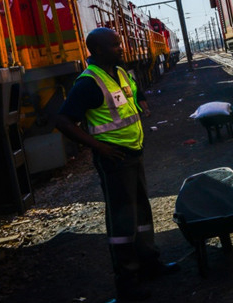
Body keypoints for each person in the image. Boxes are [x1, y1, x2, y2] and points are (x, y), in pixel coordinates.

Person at [56, 27, 178, 302]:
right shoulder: (88, 83)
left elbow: (133, 91)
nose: (121, 48)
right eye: (115, 45)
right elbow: (63, 121)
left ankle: (150, 264)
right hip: (114, 159)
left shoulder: (120, 72)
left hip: (134, 152)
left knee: (142, 212)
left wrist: (142, 100)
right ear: (98, 50)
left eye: (119, 44)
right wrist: (98, 146)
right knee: (123, 221)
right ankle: (127, 284)